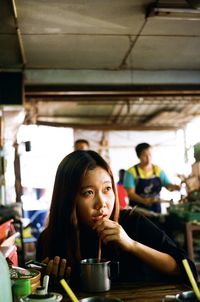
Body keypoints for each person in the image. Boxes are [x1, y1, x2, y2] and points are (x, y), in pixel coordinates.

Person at [36, 150, 197, 289]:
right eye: (88, 192)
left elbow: (185, 268)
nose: (102, 203)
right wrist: (51, 283)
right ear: (67, 197)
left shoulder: (132, 222)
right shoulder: (51, 239)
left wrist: (132, 245)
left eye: (107, 189)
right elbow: (39, 291)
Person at [123, 143, 180, 213]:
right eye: (144, 155)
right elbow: (130, 194)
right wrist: (143, 201)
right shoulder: (131, 172)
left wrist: (176, 187)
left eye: (150, 155)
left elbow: (168, 185)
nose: (148, 158)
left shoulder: (158, 170)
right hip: (138, 210)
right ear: (139, 156)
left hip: (156, 209)